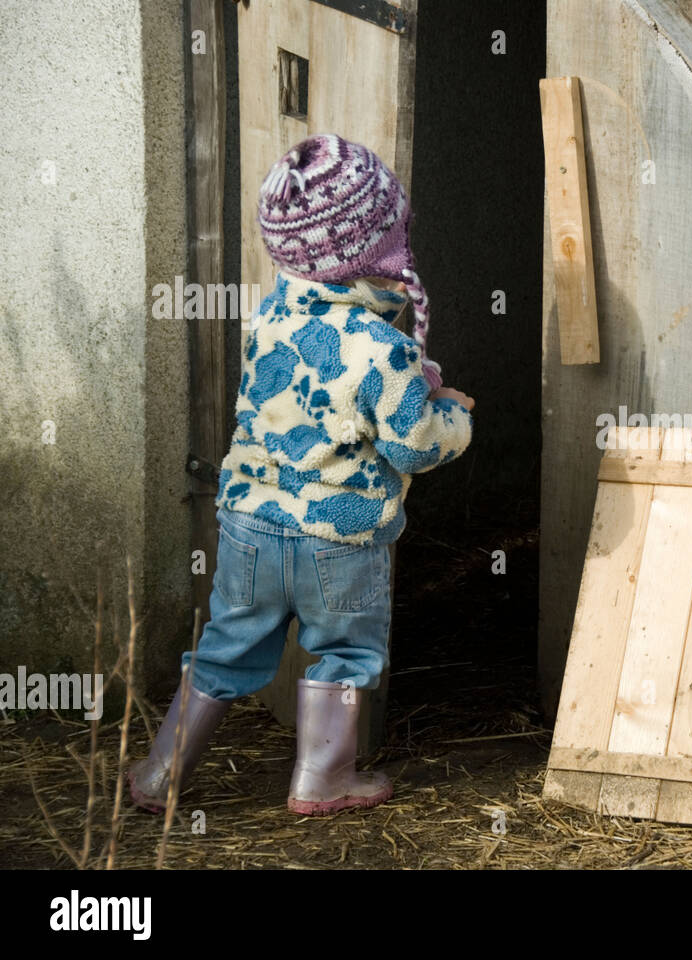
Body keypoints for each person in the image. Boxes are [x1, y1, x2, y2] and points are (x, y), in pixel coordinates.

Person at [130, 134, 474, 816]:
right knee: (345, 654)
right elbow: (415, 446)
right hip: (338, 540)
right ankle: (323, 780)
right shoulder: (383, 349)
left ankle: (157, 775)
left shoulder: (269, 318)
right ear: (375, 248)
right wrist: (453, 417)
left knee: (226, 645)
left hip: (251, 526)